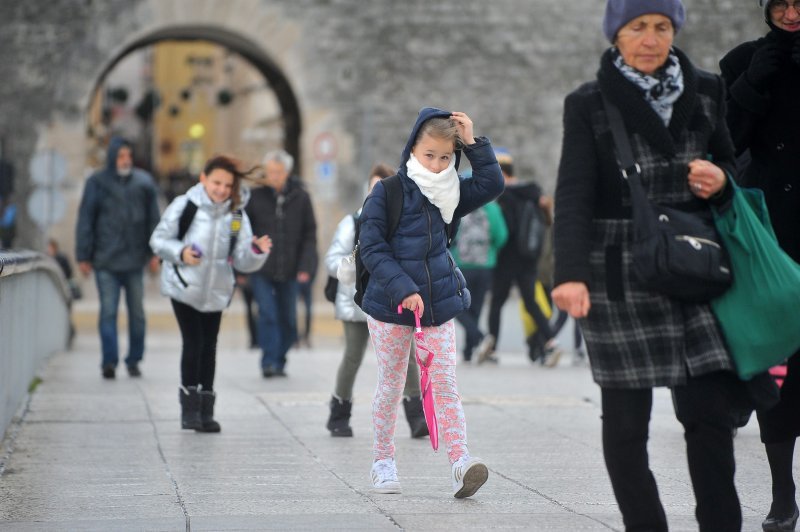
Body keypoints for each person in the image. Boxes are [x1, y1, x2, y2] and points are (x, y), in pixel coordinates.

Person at [552, 1, 758, 530]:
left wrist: (720, 178)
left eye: (662, 26)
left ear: (675, 31)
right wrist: (569, 274)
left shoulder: (708, 90)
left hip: (694, 263)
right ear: (616, 35)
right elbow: (573, 192)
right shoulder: (589, 102)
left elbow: (730, 161)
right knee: (625, 426)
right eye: (638, 27)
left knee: (709, 416)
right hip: (619, 268)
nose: (650, 38)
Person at [358, 107, 503, 498]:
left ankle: (461, 461)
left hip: (437, 304)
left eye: (445, 157)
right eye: (429, 155)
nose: (438, 165)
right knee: (390, 384)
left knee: (445, 383)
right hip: (389, 306)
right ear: (412, 149)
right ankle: (382, 461)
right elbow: (371, 248)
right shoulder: (386, 192)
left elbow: (492, 183)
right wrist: (403, 288)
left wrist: (473, 142)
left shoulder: (451, 193)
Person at [719, 2, 800, 529]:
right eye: (781, 4)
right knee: (781, 354)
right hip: (772, 229)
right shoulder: (743, 60)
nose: (791, 13)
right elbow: (728, 141)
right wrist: (753, 81)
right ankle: (782, 492)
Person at [150, 155, 271, 433]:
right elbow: (158, 240)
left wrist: (256, 252)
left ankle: (206, 411)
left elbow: (241, 259)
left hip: (217, 290)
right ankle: (189, 410)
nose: (221, 190)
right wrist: (180, 253)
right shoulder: (185, 205)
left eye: (227, 185)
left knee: (210, 347)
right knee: (193, 343)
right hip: (184, 286)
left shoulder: (237, 215)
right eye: (216, 182)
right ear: (203, 179)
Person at [324, 163, 427, 439]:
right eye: (374, 188)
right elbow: (332, 259)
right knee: (353, 357)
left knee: (406, 360)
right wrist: (357, 265)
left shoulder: (403, 223)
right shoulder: (353, 222)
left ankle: (416, 417)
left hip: (394, 302)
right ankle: (339, 413)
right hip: (357, 301)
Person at [75, 137, 160, 379]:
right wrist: (84, 254)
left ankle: (134, 358)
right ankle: (109, 361)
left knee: (138, 314)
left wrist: (155, 252)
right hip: (105, 260)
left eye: (128, 156)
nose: (126, 161)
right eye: (121, 156)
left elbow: (154, 219)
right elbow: (86, 219)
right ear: (113, 158)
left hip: (135, 260)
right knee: (108, 312)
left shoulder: (144, 183)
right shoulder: (97, 183)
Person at [483, 150, 560, 365]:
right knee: (531, 302)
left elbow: (500, 229)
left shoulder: (501, 195)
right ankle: (551, 341)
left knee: (497, 302)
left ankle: (493, 347)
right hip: (528, 256)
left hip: (506, 257)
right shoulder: (532, 192)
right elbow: (546, 221)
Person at [245, 149, 317, 378]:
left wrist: (306, 267)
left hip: (291, 269)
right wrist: (242, 264)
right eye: (270, 172)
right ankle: (268, 361)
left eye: (278, 172)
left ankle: (280, 359)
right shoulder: (254, 197)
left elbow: (310, 235)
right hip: (261, 268)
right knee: (267, 313)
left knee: (288, 318)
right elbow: (244, 232)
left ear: (287, 172)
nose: (273, 176)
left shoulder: (301, 197)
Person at [450, 171, 508, 363]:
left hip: (462, 265)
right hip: (485, 265)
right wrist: (490, 250)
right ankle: (472, 346)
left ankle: (475, 342)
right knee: (475, 307)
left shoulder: (456, 205)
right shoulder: (491, 207)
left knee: (457, 306)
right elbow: (501, 235)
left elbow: (448, 236)